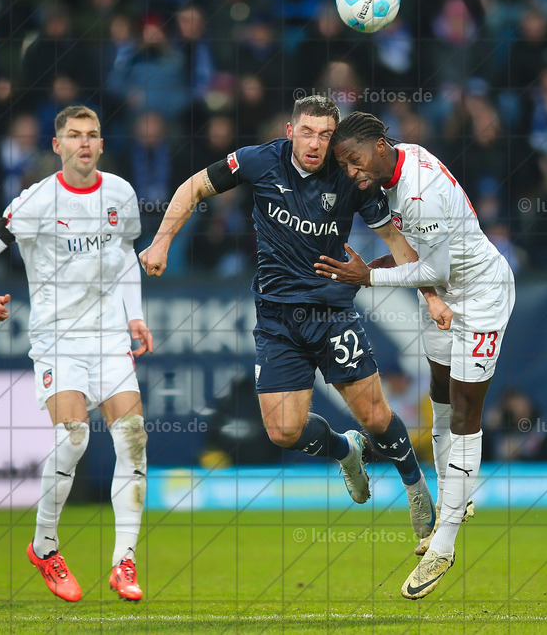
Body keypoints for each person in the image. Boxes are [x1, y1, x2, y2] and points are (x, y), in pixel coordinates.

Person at [138, 96, 439, 542]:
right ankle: (344, 449)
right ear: (289, 130)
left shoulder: (352, 178)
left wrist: (431, 297)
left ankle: (415, 486)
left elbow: (397, 242)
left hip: (332, 312)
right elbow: (194, 187)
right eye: (307, 132)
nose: (315, 143)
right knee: (283, 431)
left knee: (376, 417)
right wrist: (161, 242)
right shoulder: (259, 161)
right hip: (278, 318)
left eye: (325, 135)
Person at [315, 112, 516, 600]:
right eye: (343, 164)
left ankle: (443, 543)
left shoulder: (421, 192)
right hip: (444, 293)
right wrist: (381, 265)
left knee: (467, 414)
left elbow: (431, 265)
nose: (351, 171)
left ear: (381, 146)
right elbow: (420, 259)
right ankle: (456, 497)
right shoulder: (404, 161)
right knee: (442, 401)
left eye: (354, 160)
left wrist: (369, 278)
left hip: (481, 297)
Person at [0, 106, 152, 603]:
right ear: (57, 146)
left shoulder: (121, 194)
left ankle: (124, 562)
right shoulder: (34, 202)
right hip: (58, 340)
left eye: (92, 135)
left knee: (132, 438)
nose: (84, 143)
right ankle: (45, 546)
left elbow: (126, 257)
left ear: (102, 144)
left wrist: (136, 316)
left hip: (109, 337)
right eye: (74, 136)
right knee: (73, 439)